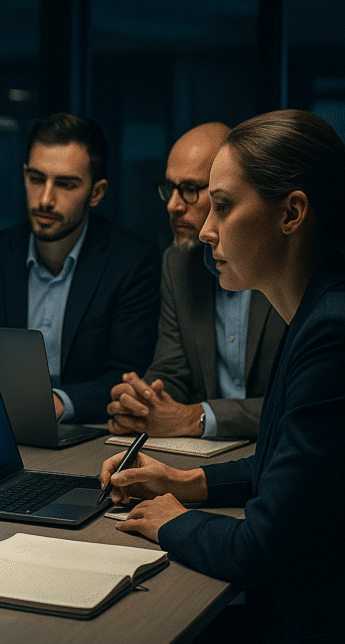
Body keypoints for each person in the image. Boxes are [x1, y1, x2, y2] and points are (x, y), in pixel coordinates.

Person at [100, 109, 345, 642]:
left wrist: (174, 520)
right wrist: (184, 481)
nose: (206, 230)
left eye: (224, 206)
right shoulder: (315, 311)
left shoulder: (330, 331)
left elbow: (262, 548)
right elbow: (282, 468)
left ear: (292, 213)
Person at [0, 112, 160, 424]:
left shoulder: (132, 261)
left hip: (88, 430)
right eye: (36, 179)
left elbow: (129, 375)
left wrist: (59, 403)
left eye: (65, 184)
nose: (45, 199)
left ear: (96, 192)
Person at [107, 123, 285, 439]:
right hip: (206, 449)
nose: (172, 205)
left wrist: (198, 417)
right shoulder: (179, 262)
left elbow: (305, 400)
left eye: (190, 189)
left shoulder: (284, 262)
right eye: (170, 188)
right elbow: (172, 370)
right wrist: (143, 405)